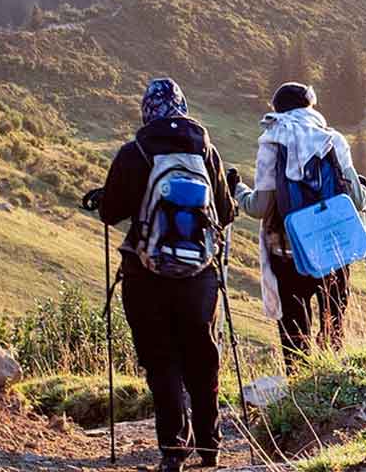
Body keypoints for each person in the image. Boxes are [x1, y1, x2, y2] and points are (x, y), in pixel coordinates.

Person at [97, 79, 236, 472]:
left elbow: (110, 212)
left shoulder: (135, 151)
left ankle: (174, 450)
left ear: (147, 111)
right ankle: (211, 447)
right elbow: (224, 214)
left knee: (161, 360)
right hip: (200, 276)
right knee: (203, 358)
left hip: (146, 274)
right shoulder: (206, 150)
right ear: (182, 107)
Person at [230, 82, 366, 367]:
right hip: (334, 251)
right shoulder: (332, 140)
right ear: (311, 107)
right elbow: (359, 200)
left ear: (277, 110)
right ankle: (333, 387)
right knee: (334, 328)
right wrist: (365, 192)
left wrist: (238, 190)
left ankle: (299, 389)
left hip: (288, 252)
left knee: (295, 334)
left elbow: (260, 207)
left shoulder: (271, 142)